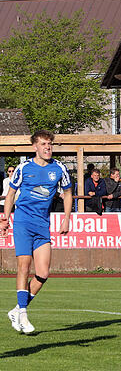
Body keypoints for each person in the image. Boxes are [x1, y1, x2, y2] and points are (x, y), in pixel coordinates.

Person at [1, 130, 72, 335]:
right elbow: (11, 193)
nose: (47, 148)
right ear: (35, 147)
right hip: (23, 221)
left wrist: (67, 219)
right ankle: (22, 312)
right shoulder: (24, 168)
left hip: (43, 224)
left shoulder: (59, 168)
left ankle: (17, 310)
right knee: (24, 265)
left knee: (43, 273)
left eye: (49, 144)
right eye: (43, 144)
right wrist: (5, 218)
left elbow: (67, 193)